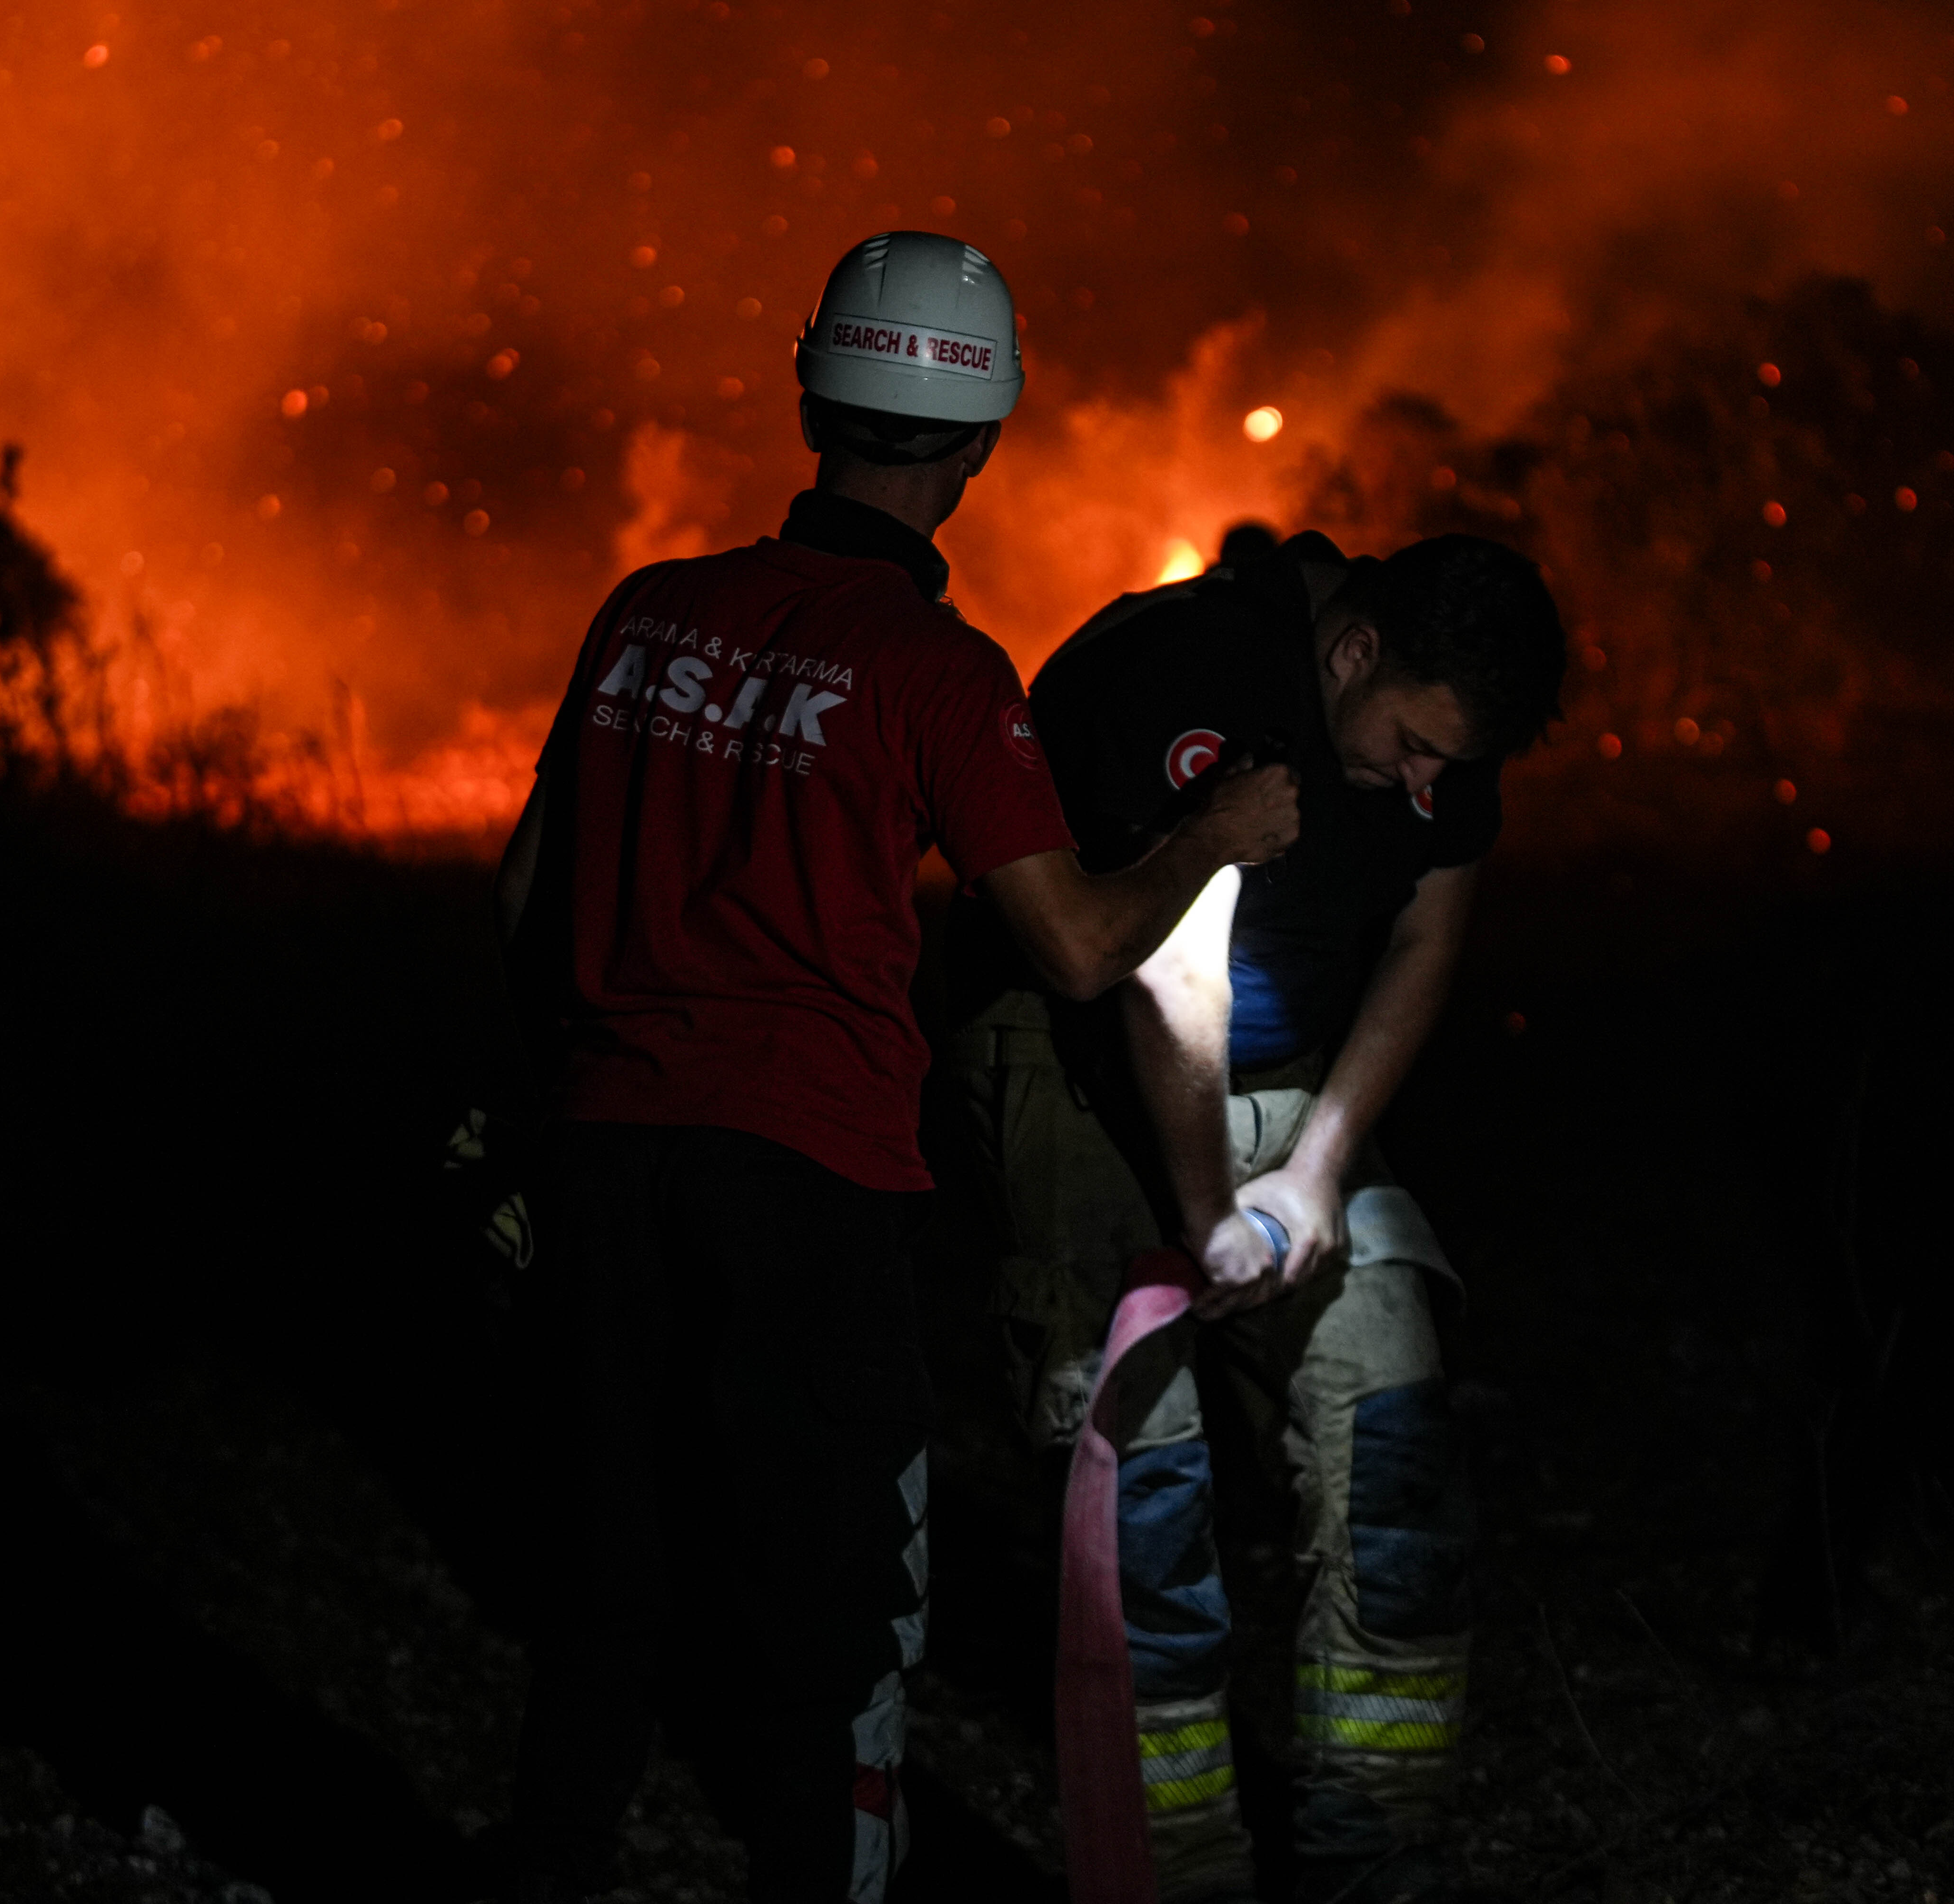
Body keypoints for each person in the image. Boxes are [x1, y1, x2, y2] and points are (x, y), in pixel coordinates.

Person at [487, 230, 1300, 1904]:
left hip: (605, 1164)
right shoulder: (940, 673)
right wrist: (1208, 838)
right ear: (986, 442)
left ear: (809, 393)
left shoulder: (648, 613)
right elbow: (1078, 946)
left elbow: (524, 896)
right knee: (829, 1627)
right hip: (808, 1191)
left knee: (599, 1608)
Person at [947, 529, 1567, 1902]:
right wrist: (1211, 1215)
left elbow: (1428, 932)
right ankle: (1179, 1871)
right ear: (1353, 654)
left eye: (1449, 768)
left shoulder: (1440, 717)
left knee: (1394, 1439)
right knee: (1140, 1501)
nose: (1426, 785)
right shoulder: (1195, 672)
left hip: (1286, 1085)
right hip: (1092, 1064)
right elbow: (1173, 983)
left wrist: (1323, 1172)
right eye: (1412, 746)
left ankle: (1366, 1855)